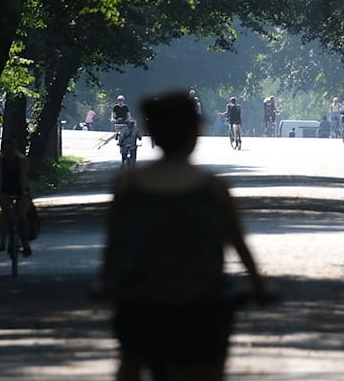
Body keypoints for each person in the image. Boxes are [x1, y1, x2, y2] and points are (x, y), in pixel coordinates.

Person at [101, 91, 271, 381]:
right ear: (194, 133)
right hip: (201, 298)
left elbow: (115, 243)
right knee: (209, 367)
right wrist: (258, 285)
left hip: (143, 296)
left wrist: (105, 282)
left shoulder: (128, 184)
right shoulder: (212, 187)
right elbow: (238, 242)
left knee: (131, 361)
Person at [0, 137, 32, 256]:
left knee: (22, 215)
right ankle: (3, 242)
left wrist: (23, 193)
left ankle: (25, 244)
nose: (8, 152)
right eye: (5, 150)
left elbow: (23, 177)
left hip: (20, 188)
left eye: (10, 149)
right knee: (5, 213)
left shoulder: (22, 161)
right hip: (6, 189)